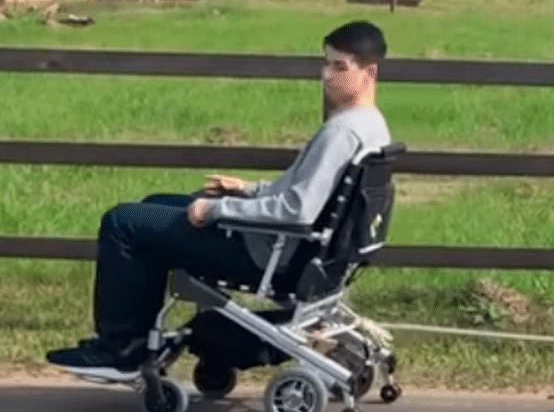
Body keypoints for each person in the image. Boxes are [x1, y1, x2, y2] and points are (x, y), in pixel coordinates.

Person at [47, 21, 392, 374]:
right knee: (154, 205)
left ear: (370, 72)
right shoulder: (370, 126)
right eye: (326, 63)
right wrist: (247, 190)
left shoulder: (341, 132)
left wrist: (216, 209)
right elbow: (306, 193)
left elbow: (299, 210)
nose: (326, 75)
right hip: (296, 249)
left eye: (339, 67)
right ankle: (138, 339)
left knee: (123, 223)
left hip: (270, 254)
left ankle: (121, 349)